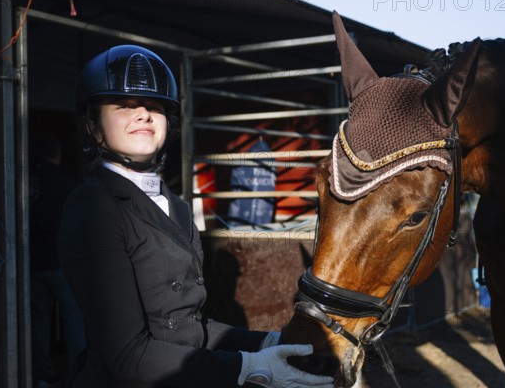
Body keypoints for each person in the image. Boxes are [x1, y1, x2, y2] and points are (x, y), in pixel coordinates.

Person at [58, 45, 333, 388]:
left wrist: (269, 343)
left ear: (167, 124)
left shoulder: (177, 206)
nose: (143, 114)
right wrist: (246, 366)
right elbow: (127, 355)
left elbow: (190, 327)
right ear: (95, 129)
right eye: (124, 107)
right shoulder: (93, 205)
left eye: (155, 107)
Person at [29, 131, 87, 387]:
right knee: (73, 318)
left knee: (38, 321)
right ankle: (78, 373)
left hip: (31, 264)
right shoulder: (69, 185)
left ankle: (43, 373)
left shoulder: (25, 185)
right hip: (62, 264)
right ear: (58, 155)